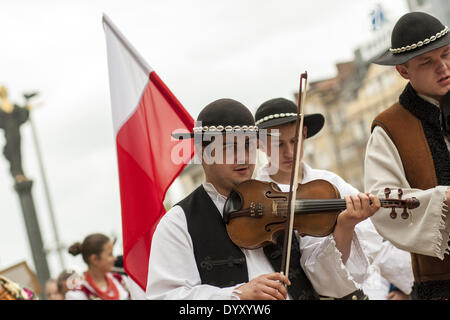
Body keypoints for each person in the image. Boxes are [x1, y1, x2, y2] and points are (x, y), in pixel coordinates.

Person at [146, 98, 379, 300]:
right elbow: (166, 295)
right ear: (202, 153)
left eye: (248, 145)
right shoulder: (178, 223)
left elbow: (326, 280)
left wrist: (345, 224)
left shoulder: (282, 199)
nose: (243, 157)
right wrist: (237, 294)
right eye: (229, 147)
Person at [254, 97, 414, 300]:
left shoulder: (330, 182)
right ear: (260, 144)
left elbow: (377, 249)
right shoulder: (255, 198)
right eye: (278, 144)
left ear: (304, 134)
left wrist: (408, 287)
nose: (290, 152)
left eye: (294, 140)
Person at [364, 11, 450, 300]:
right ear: (403, 71)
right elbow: (381, 200)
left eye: (447, 55)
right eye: (427, 62)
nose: (443, 67)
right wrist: (444, 198)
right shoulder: (389, 127)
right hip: (441, 285)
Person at [65, 233, 130, 300]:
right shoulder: (78, 295)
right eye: (110, 254)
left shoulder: (121, 280)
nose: (114, 258)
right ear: (94, 259)